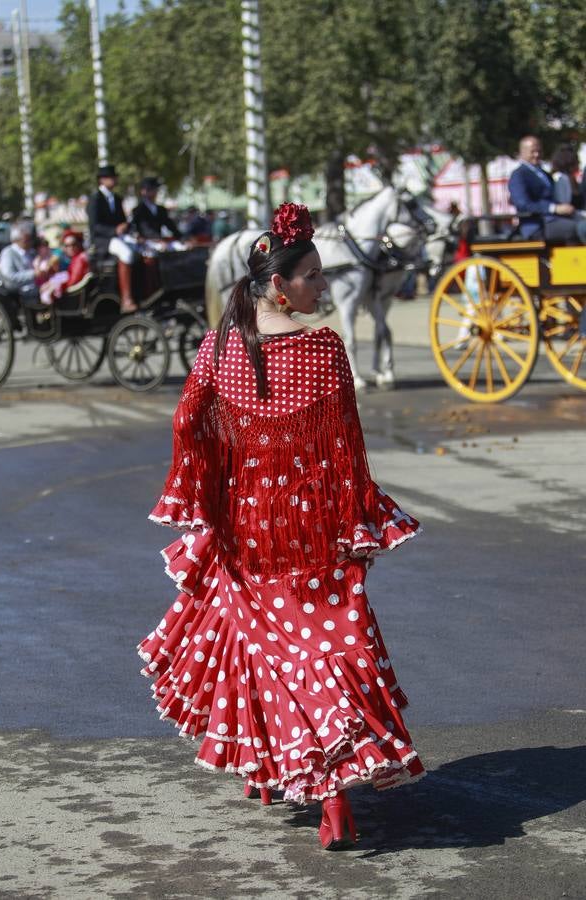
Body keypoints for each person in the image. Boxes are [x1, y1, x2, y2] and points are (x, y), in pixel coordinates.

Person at [137, 202, 425, 850]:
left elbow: (187, 424)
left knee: (266, 651)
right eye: (312, 276)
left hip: (247, 529)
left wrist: (210, 492)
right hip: (312, 529)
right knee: (323, 647)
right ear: (278, 283)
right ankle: (324, 792)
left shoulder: (218, 347)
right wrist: (355, 523)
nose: (321, 287)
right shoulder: (323, 350)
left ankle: (289, 778)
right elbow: (345, 447)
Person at [508, 135, 586, 244]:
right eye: (533, 152)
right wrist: (553, 208)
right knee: (582, 228)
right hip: (537, 224)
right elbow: (523, 204)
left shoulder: (544, 174)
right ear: (522, 153)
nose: (537, 155)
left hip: (555, 219)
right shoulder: (519, 175)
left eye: (539, 151)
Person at [86, 164, 137, 313]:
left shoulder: (117, 198)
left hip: (118, 237)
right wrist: (114, 229)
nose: (114, 180)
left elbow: (122, 220)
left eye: (115, 177)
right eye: (111, 177)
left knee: (140, 250)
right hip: (103, 240)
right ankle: (126, 298)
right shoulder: (95, 199)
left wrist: (128, 228)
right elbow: (94, 226)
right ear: (102, 180)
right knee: (126, 253)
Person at [39, 231, 90, 306]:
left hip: (73, 298)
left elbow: (73, 282)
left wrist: (55, 285)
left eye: (73, 244)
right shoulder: (76, 258)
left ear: (79, 244)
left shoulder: (80, 259)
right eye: (67, 246)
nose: (71, 248)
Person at [130, 176, 182, 243]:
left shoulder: (161, 209)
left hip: (160, 241)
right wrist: (157, 239)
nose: (154, 192)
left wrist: (182, 237)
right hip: (146, 243)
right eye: (150, 189)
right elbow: (144, 229)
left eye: (155, 189)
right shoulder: (138, 210)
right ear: (143, 191)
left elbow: (170, 226)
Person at [0, 221, 37, 290]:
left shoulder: (31, 251)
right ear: (16, 240)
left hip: (36, 289)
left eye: (30, 240)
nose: (30, 243)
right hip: (20, 292)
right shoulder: (8, 253)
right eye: (26, 241)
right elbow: (9, 276)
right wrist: (33, 274)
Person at [551, 144, 585, 212]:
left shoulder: (574, 179)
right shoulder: (560, 178)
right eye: (577, 161)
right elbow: (562, 204)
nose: (579, 163)